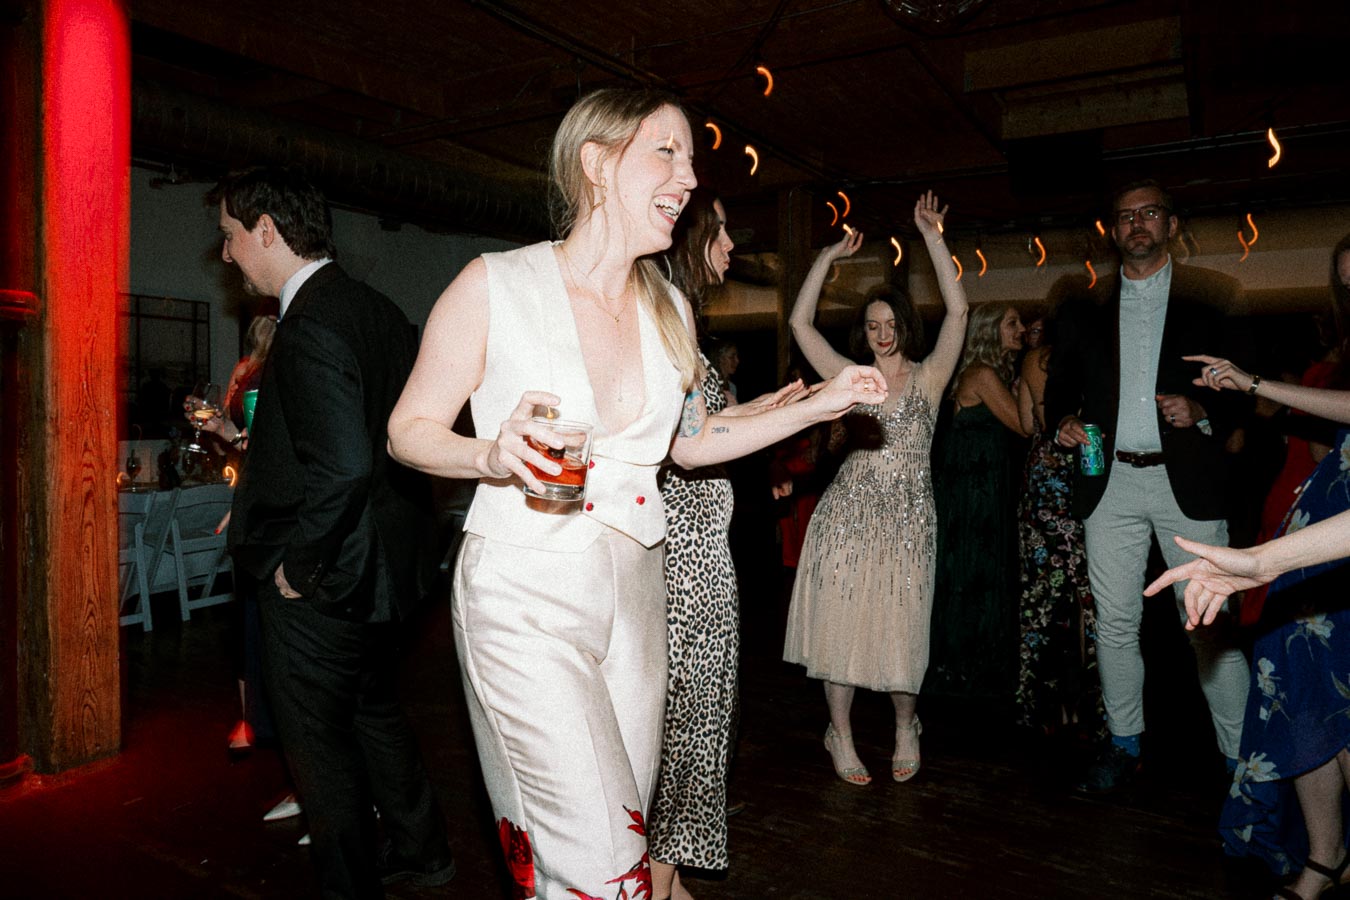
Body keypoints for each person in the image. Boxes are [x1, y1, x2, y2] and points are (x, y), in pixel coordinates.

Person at [384, 88, 885, 900]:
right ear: (597, 161)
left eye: (690, 158)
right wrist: (491, 453)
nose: (689, 177)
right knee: (605, 868)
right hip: (522, 594)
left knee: (611, 836)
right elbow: (408, 429)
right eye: (668, 152)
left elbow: (689, 446)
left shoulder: (670, 305)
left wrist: (826, 403)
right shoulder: (496, 285)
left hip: (636, 597)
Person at [213, 166, 454, 898]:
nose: (225, 255)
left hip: (328, 579)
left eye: (229, 236)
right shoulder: (375, 308)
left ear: (266, 230)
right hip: (386, 570)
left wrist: (298, 567)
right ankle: (424, 849)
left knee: (319, 746)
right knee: (374, 710)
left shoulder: (310, 321)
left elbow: (344, 467)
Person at [1045, 178, 1250, 792]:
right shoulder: (1084, 311)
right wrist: (1061, 422)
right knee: (1113, 623)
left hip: (1184, 485)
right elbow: (1058, 392)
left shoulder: (1209, 306)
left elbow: (1249, 394)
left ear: (1171, 224)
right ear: (1113, 230)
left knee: (1209, 624)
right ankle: (1123, 742)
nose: (1136, 224)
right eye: (1125, 216)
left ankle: (1243, 763)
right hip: (1108, 487)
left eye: (1149, 213)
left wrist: (1205, 411)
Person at [783, 193, 969, 786]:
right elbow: (798, 324)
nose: (882, 335)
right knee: (840, 623)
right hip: (847, 512)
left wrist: (932, 236)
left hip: (910, 516)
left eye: (890, 325)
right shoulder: (851, 377)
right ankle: (839, 731)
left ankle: (904, 726)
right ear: (863, 332)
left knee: (902, 623)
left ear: (905, 327)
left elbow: (960, 314)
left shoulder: (931, 376)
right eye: (872, 325)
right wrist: (827, 257)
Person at [647, 189, 783, 899]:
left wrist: (774, 406)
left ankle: (664, 877)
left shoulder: (682, 323)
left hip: (703, 551)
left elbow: (702, 425)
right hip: (683, 558)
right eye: (721, 230)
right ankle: (659, 883)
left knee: (696, 719)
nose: (730, 246)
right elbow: (689, 446)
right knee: (684, 722)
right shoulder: (664, 320)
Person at [927, 303, 1027, 708]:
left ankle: (973, 664)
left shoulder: (995, 374)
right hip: (973, 494)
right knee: (973, 572)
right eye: (1012, 323)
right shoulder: (983, 375)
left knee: (979, 572)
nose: (1020, 329)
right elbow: (1024, 426)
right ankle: (965, 666)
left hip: (985, 488)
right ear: (990, 331)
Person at [1014, 283, 1103, 736]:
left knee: (1042, 599)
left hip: (1044, 480)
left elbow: (1032, 424)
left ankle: (1039, 706)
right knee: (1087, 597)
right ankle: (1094, 709)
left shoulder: (1035, 361)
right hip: (1083, 476)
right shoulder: (1097, 358)